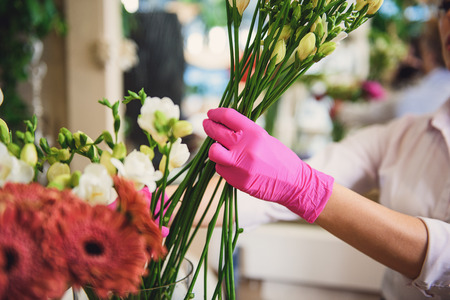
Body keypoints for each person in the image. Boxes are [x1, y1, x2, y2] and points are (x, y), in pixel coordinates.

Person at [201, 2, 450, 299]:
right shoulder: (403, 136)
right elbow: (274, 195)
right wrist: (166, 207)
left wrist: (306, 189)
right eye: (445, 5)